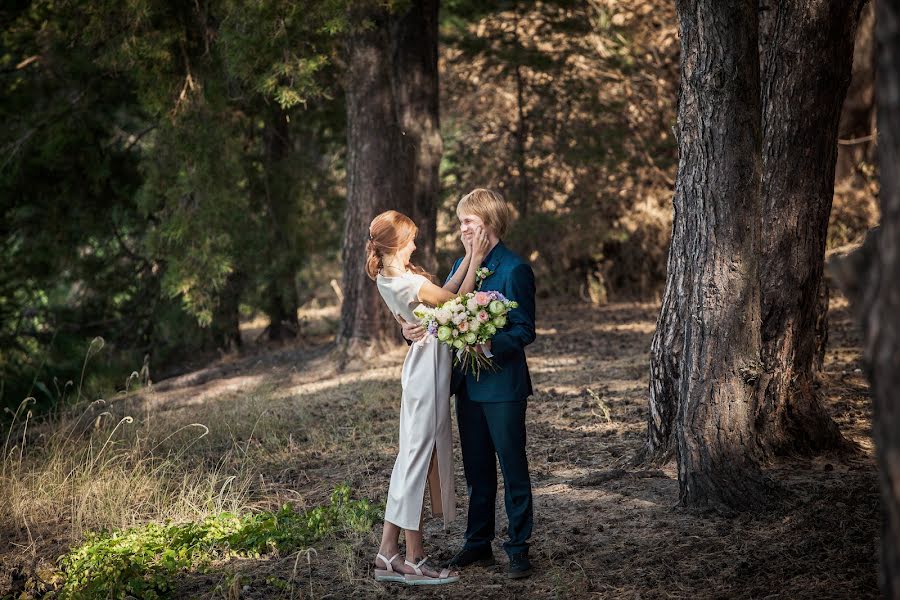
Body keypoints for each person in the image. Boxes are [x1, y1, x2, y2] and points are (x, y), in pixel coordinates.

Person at [401, 189, 537, 579]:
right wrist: (412, 332)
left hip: (504, 386)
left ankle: (518, 546)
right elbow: (440, 313)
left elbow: (525, 329)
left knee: (512, 466)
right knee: (477, 469)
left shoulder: (515, 269)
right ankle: (478, 543)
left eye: (468, 220)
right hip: (468, 386)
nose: (462, 227)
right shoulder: (462, 263)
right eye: (460, 220)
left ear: (489, 222)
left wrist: (491, 343)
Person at [367, 209, 490, 585]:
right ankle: (415, 559)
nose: (416, 246)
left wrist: (468, 257)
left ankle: (388, 553)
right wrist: (476, 258)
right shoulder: (406, 283)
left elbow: (439, 298)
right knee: (416, 460)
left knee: (411, 458)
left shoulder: (394, 278)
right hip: (426, 373)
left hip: (423, 368)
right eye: (412, 240)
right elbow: (455, 300)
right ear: (399, 244)